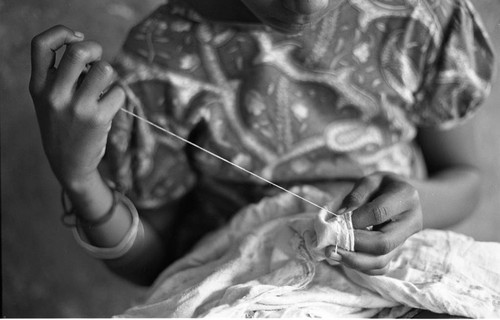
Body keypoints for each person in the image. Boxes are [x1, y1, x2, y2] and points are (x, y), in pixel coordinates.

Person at [30, 0, 494, 294]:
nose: (308, 4)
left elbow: (466, 183)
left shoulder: (421, 17)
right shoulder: (161, 60)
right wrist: (80, 178)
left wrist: (415, 207)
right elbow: (162, 269)